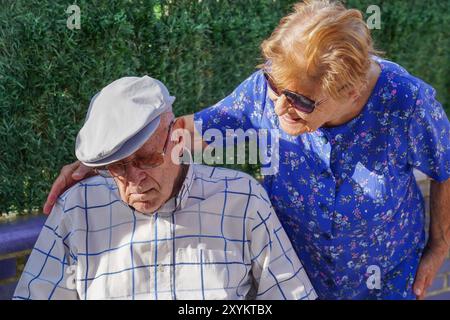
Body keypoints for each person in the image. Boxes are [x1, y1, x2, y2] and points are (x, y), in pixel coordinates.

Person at [43, 0, 450, 299]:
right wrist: (98, 160)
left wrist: (438, 249)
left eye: (300, 101)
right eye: (274, 88)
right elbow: (180, 133)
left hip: (387, 281)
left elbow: (445, 167)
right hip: (296, 283)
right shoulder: (267, 92)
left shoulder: (406, 103)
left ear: (350, 89)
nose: (277, 107)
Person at [14, 76, 316, 300]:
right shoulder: (78, 209)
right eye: (117, 166)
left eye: (147, 158)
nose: (134, 179)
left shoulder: (242, 199)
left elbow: (291, 294)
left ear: (177, 136)